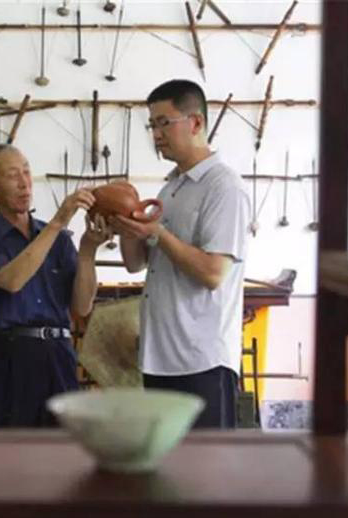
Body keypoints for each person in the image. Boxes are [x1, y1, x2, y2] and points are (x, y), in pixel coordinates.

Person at [110, 79, 251, 428]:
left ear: (196, 122)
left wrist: (157, 233)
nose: (156, 135)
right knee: (166, 458)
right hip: (159, 356)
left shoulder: (223, 186)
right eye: (152, 125)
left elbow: (213, 273)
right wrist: (125, 224)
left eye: (164, 123)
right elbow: (135, 264)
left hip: (201, 360)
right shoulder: (171, 188)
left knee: (205, 462)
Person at [0, 144, 108, 427]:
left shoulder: (60, 240)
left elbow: (82, 306)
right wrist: (59, 221)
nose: (24, 183)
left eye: (27, 172)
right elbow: (12, 281)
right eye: (12, 175)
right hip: (7, 360)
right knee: (9, 448)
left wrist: (88, 250)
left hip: (59, 355)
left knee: (63, 447)